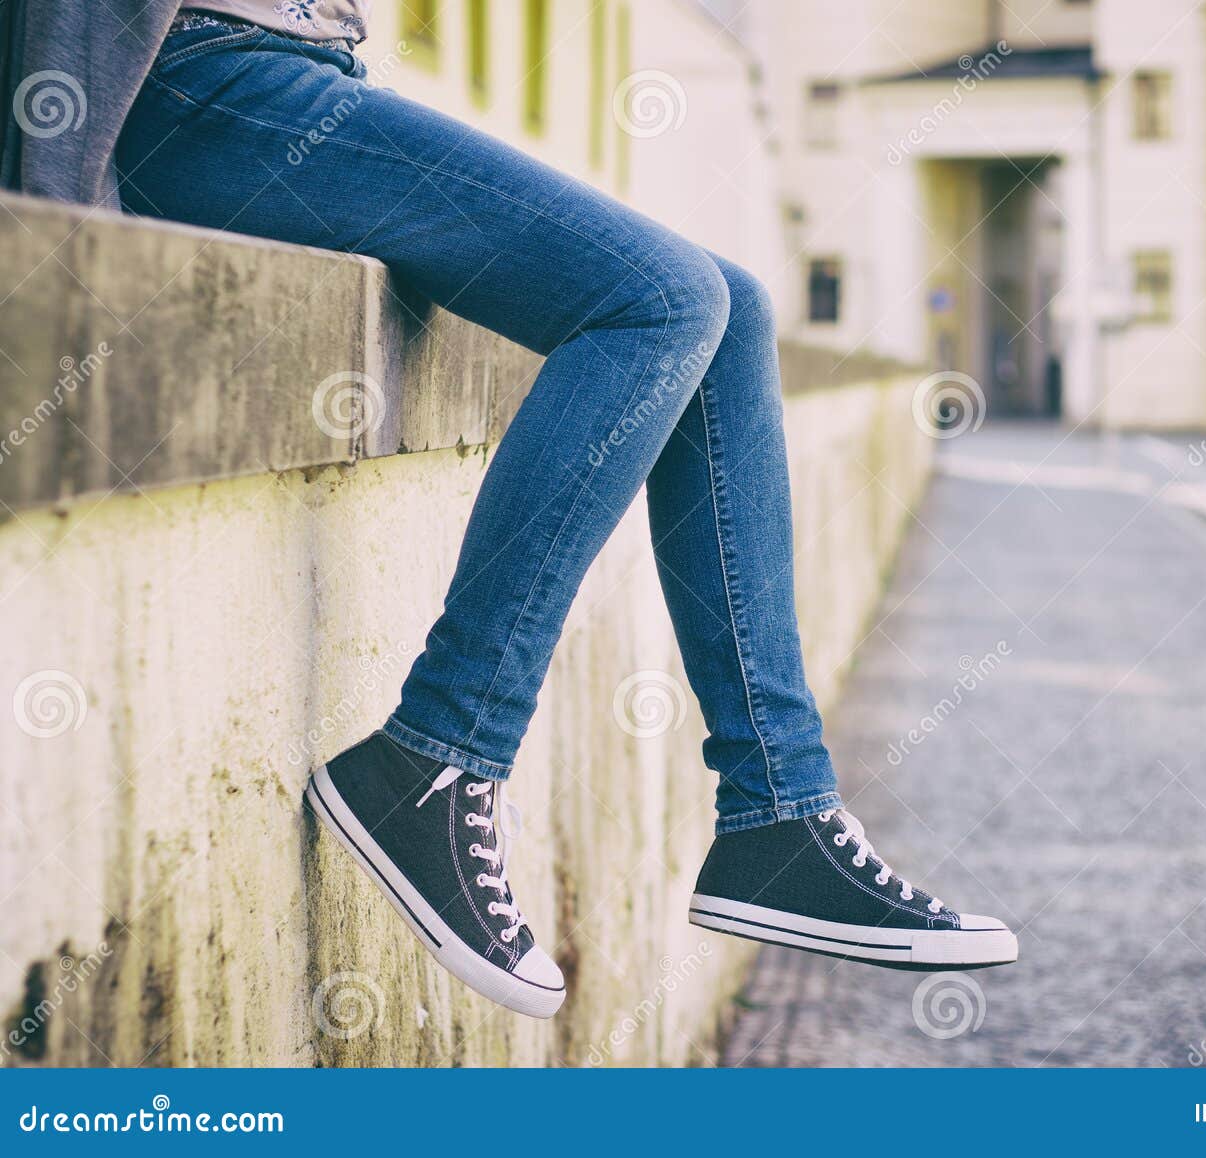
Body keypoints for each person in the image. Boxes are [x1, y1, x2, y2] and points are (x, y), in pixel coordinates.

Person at [10, 2, 1017, 1020]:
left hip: (300, 77)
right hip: (205, 91)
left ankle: (776, 811)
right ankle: (440, 751)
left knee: (732, 305)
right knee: (661, 300)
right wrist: (56, 197)